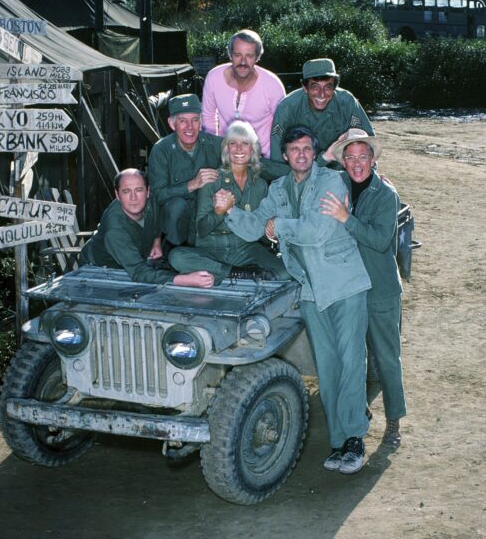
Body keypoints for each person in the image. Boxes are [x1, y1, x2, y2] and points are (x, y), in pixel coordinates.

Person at [225, 126, 372, 474]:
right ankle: (339, 443)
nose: (302, 155)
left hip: (344, 283)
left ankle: (355, 439)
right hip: (309, 289)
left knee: (351, 362)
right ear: (286, 156)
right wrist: (228, 211)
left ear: (315, 152)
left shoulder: (331, 182)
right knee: (327, 366)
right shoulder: (278, 189)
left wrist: (280, 225)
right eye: (294, 150)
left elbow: (316, 232)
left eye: (307, 148)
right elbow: (255, 226)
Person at [320, 128, 406, 447]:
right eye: (350, 157)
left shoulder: (386, 194)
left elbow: (382, 241)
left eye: (363, 157)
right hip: (350, 290)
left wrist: (346, 218)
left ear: (372, 159)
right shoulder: (338, 184)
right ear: (343, 161)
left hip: (381, 291)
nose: (357, 164)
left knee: (387, 358)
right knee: (355, 357)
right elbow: (304, 173)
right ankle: (360, 414)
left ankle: (394, 421)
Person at [168, 121, 289, 284]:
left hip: (246, 249)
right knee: (176, 257)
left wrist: (272, 231)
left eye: (245, 143)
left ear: (252, 149)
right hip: (212, 249)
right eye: (233, 143)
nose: (239, 149)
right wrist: (219, 212)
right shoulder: (212, 180)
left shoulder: (260, 185)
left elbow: (260, 231)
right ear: (227, 148)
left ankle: (221, 273)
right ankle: (236, 273)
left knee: (284, 272)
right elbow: (202, 229)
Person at [79, 168, 214, 288]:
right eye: (126, 191)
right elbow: (139, 272)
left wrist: (156, 240)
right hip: (98, 269)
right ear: (117, 195)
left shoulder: (151, 201)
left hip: (136, 256)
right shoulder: (114, 230)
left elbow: (157, 214)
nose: (133, 198)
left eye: (139, 190)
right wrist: (186, 280)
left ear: (148, 191)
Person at [148, 94, 223, 249]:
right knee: (177, 206)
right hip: (176, 225)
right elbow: (157, 195)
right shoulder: (161, 150)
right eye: (183, 121)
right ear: (172, 123)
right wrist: (191, 185)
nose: (190, 127)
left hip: (207, 217)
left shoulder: (216, 145)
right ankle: (172, 253)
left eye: (195, 120)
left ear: (201, 122)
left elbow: (249, 160)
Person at [270, 57, 374, 164]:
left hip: (340, 170)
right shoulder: (287, 107)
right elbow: (277, 156)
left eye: (328, 87)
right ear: (305, 87)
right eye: (315, 87)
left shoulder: (346, 102)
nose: (322, 94)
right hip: (302, 171)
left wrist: (372, 175)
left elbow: (368, 141)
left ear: (334, 87)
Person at [202, 29, 285, 157]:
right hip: (227, 156)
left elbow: (281, 126)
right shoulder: (213, 77)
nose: (243, 62)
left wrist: (274, 156)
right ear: (230, 55)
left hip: (263, 156)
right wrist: (214, 152)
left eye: (249, 56)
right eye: (237, 55)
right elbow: (208, 118)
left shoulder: (273, 84)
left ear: (257, 57)